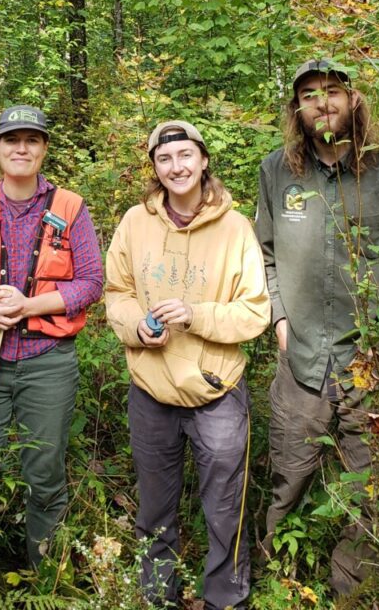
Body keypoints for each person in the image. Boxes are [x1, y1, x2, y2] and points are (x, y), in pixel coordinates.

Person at [256, 58, 379, 596]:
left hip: (374, 369)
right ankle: (272, 584)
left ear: (354, 100)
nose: (322, 102)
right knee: (287, 481)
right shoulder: (276, 172)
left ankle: (351, 593)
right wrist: (280, 318)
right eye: (309, 93)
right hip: (301, 360)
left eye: (333, 90)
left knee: (372, 492)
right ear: (297, 108)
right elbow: (262, 255)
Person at [106, 120, 270, 610]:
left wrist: (196, 315)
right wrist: (137, 326)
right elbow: (117, 293)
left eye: (185, 156)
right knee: (155, 509)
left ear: (202, 161)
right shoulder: (135, 222)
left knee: (224, 512)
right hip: (151, 391)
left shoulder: (235, 228)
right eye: (164, 159)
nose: (176, 167)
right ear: (155, 169)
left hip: (216, 392)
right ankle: (158, 597)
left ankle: (225, 600)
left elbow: (255, 310)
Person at [0, 105, 103, 565]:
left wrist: (28, 306)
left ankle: (44, 570)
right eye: (12, 140)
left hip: (48, 358)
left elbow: (90, 283)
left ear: (44, 148)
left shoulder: (69, 207)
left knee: (44, 468)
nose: (21, 148)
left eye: (31, 139)